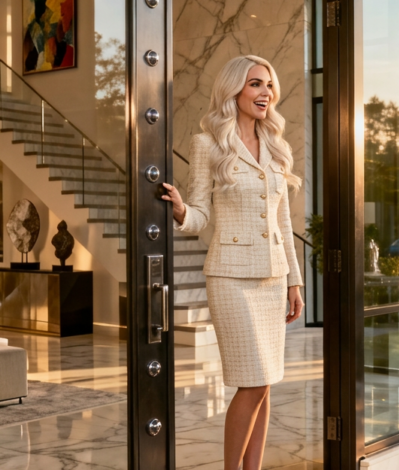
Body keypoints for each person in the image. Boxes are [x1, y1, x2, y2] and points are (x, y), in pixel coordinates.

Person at [162, 55, 304, 470]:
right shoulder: (207, 144)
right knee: (253, 382)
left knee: (266, 383)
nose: (266, 93)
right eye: (256, 84)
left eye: (269, 85)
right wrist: (181, 211)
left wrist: (295, 282)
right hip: (230, 277)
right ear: (234, 90)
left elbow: (283, 221)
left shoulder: (277, 146)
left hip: (273, 278)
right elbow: (201, 215)